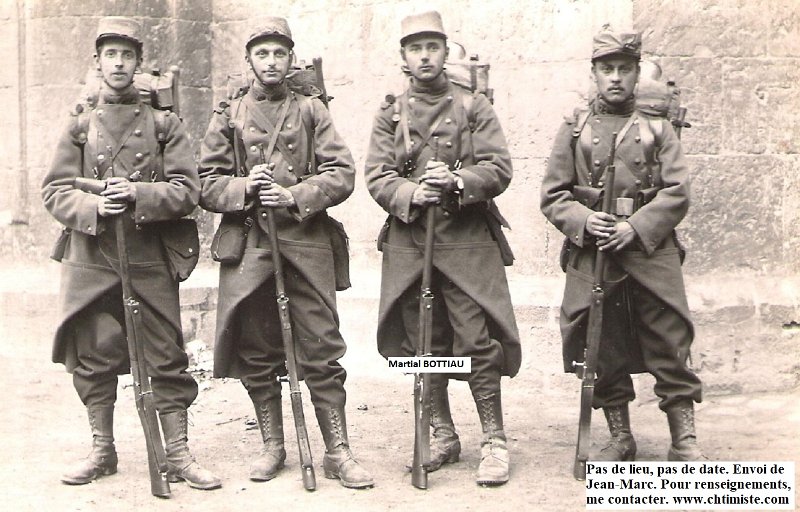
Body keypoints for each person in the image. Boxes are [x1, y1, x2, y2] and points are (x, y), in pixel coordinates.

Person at [41, 16, 220, 490]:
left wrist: (139, 194)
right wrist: (97, 203)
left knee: (165, 353)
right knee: (94, 353)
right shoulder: (79, 125)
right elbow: (55, 191)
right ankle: (102, 449)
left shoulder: (164, 124)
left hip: (147, 254)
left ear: (139, 64)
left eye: (127, 55)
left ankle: (178, 454)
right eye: (110, 55)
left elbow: (188, 190)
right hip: (92, 255)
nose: (119, 63)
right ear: (97, 63)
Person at [197, 17, 373, 489]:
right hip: (251, 245)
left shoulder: (312, 110)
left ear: (291, 59)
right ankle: (273, 446)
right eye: (262, 53)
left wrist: (294, 194)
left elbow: (342, 173)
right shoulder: (228, 114)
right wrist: (244, 188)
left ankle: (338, 449)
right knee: (256, 350)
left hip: (305, 243)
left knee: (321, 346)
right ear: (249, 61)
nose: (271, 62)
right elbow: (205, 184)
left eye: (279, 53)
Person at [364, 10, 521, 486]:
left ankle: (493, 439)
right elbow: (376, 175)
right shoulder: (391, 113)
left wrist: (456, 181)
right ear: (404, 58)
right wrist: (414, 193)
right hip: (413, 244)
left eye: (433, 46)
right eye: (416, 48)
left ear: (445, 51)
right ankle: (443, 433)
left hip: (467, 243)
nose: (425, 56)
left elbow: (499, 167)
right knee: (424, 342)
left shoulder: (473, 107)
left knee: (475, 341)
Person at [540, 26, 705, 462]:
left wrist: (636, 227)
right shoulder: (575, 128)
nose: (615, 78)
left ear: (636, 74)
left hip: (649, 250)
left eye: (624, 69)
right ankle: (620, 435)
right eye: (607, 69)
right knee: (601, 342)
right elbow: (553, 194)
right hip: (595, 251)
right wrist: (584, 218)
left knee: (669, 339)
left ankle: (684, 440)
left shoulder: (658, 128)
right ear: (594, 73)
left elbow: (677, 190)